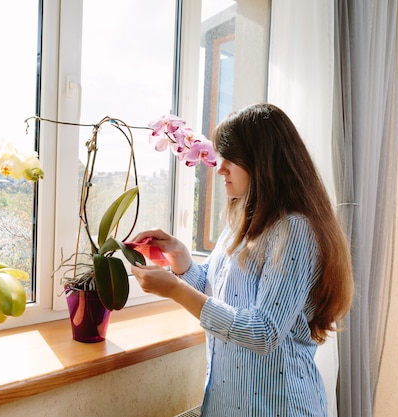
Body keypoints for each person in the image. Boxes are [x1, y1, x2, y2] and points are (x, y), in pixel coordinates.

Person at [130, 103, 354, 416]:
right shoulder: (242, 220)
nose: (219, 167)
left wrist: (175, 291)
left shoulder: (294, 230)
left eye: (230, 158)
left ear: (263, 163)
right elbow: (221, 293)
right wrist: (180, 259)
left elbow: (264, 331)